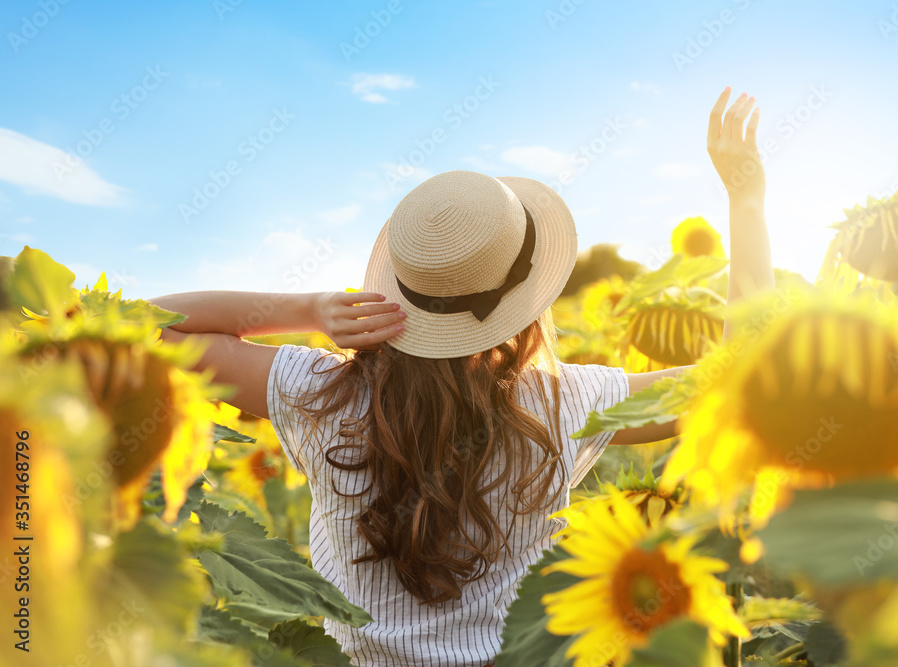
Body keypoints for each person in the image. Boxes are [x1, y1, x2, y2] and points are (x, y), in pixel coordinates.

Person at [151, 87, 773, 667]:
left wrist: (309, 310)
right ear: (529, 301)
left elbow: (145, 327)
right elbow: (739, 380)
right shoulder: (562, 404)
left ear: (398, 286)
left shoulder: (320, 391)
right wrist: (745, 200)